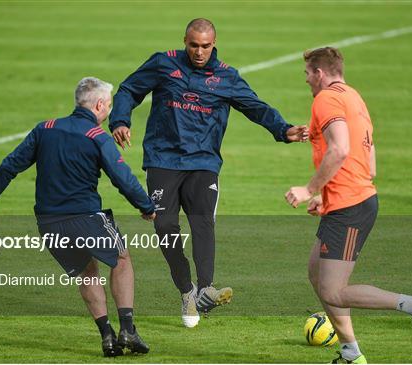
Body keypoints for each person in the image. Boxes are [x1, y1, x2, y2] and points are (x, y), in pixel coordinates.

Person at [109, 18, 308, 328]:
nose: (199, 52)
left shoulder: (226, 76)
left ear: (214, 44)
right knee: (164, 226)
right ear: (184, 41)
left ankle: (205, 289)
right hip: (163, 159)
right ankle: (186, 290)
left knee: (203, 222)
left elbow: (256, 107)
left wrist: (283, 130)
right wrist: (120, 120)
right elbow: (128, 89)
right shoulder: (163, 63)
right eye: (193, 45)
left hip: (203, 162)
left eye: (205, 46)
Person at [0, 77, 156, 357]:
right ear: (99, 105)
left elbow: (9, 165)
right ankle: (128, 329)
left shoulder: (45, 129)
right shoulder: (97, 137)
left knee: (87, 272)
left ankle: (107, 335)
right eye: (108, 106)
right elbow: (123, 178)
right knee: (120, 259)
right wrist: (146, 206)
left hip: (48, 223)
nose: (108, 111)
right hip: (85, 217)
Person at [285, 47, 412, 364]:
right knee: (316, 274)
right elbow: (369, 164)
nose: (306, 81)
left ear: (319, 73)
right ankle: (350, 353)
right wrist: (325, 197)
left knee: (333, 291)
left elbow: (340, 149)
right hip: (347, 201)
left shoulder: (325, 99)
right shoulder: (354, 97)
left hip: (351, 208)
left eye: (307, 75)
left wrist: (308, 189)